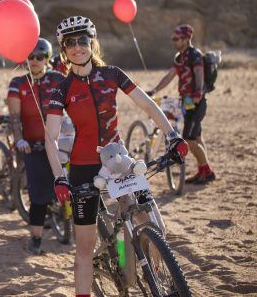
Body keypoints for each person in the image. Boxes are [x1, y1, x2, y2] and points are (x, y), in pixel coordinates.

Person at [44, 16, 189, 296]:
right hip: (83, 168)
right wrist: (59, 177)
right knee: (84, 248)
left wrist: (172, 135)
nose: (78, 47)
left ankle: (157, 280)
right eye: (70, 43)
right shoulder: (61, 88)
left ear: (92, 43)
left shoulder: (112, 74)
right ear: (64, 50)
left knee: (155, 225)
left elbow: (146, 103)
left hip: (117, 159)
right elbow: (50, 139)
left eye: (83, 40)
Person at [7, 37, 64, 255]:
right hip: (32, 145)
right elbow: (14, 116)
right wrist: (19, 138)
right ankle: (36, 237)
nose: (34, 61)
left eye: (39, 57)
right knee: (38, 194)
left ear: (48, 59)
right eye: (31, 57)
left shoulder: (58, 79)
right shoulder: (18, 83)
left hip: (57, 142)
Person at [147, 24, 215, 184]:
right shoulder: (180, 57)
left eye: (176, 39)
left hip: (196, 102)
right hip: (187, 102)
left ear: (186, 39)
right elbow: (170, 76)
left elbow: (199, 74)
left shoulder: (195, 55)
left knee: (189, 138)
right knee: (196, 137)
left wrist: (198, 93)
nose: (174, 41)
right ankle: (203, 171)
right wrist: (154, 90)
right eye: (173, 38)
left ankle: (206, 171)